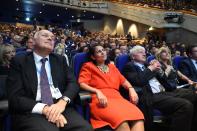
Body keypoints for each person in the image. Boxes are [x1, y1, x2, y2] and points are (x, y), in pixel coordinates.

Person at [6, 30, 92, 131]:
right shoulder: (19, 61)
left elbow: (73, 83)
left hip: (59, 105)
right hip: (32, 108)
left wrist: (62, 102)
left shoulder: (60, 60)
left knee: (85, 128)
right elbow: (15, 95)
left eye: (52, 37)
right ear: (33, 41)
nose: (50, 38)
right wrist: (46, 109)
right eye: (45, 35)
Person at [122, 45, 194, 131]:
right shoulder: (129, 67)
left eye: (144, 52)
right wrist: (151, 68)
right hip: (152, 96)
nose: (144, 54)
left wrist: (158, 70)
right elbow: (139, 81)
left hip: (164, 91)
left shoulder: (147, 65)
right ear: (133, 56)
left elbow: (163, 80)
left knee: (194, 96)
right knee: (185, 105)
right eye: (140, 52)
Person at [78, 44, 144, 131]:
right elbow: (81, 83)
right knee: (122, 121)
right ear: (93, 57)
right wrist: (97, 91)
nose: (102, 52)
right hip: (100, 99)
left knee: (138, 117)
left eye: (103, 50)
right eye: (99, 51)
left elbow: (124, 81)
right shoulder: (88, 66)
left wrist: (131, 89)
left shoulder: (112, 67)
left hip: (118, 98)